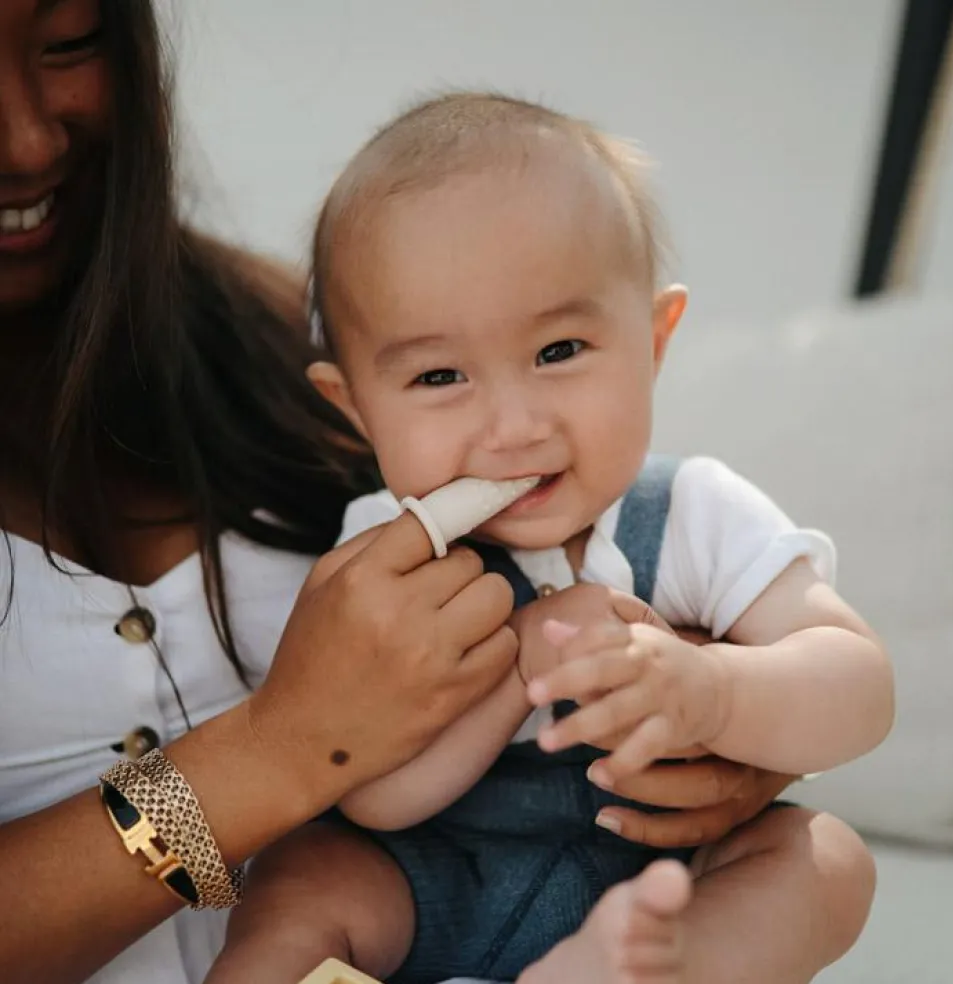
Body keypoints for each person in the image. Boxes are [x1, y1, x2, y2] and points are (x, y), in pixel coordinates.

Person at [0, 5, 799, 984]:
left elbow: (795, 662)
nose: (28, 138)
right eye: (443, 377)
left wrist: (734, 716)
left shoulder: (286, 339)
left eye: (70, 41)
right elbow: (351, 774)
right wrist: (279, 753)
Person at [205, 93, 891, 984]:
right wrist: (518, 668)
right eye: (440, 376)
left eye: (559, 351)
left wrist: (714, 691)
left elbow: (859, 686)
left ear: (654, 340)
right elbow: (374, 794)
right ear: (357, 407)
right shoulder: (384, 554)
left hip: (658, 887)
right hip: (430, 881)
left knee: (826, 860)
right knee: (301, 879)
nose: (514, 427)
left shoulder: (692, 510)